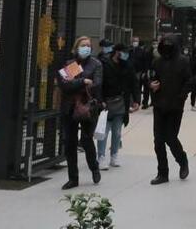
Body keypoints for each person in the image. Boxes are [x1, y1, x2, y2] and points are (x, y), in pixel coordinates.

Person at [57, 36, 103, 190]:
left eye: (89, 45)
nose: (86, 48)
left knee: (86, 140)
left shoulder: (95, 64)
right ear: (76, 48)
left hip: (87, 107)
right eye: (83, 45)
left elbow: (96, 85)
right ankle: (73, 178)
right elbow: (64, 85)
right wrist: (83, 82)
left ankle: (94, 167)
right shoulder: (72, 64)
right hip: (70, 108)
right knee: (70, 143)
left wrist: (77, 82)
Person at [149, 36, 192, 185]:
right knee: (158, 140)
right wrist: (152, 85)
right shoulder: (157, 62)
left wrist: (182, 96)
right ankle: (162, 172)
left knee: (171, 138)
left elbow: (188, 80)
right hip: (159, 105)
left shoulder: (183, 61)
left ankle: (182, 160)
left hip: (175, 106)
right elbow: (152, 78)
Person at [96, 42, 140, 169]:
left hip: (121, 102)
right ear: (117, 52)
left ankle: (114, 155)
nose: (126, 55)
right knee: (103, 131)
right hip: (106, 102)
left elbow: (134, 83)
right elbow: (99, 84)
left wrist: (136, 100)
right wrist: (100, 100)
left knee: (117, 132)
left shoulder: (128, 66)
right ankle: (101, 157)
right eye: (124, 52)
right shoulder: (104, 64)